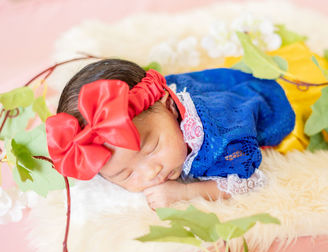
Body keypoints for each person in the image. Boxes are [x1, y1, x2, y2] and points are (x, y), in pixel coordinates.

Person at [46, 59, 295, 209]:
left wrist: (187, 193)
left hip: (281, 98)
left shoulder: (219, 140)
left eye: (152, 147)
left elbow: (251, 181)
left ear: (169, 105)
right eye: (126, 174)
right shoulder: (155, 117)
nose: (151, 173)